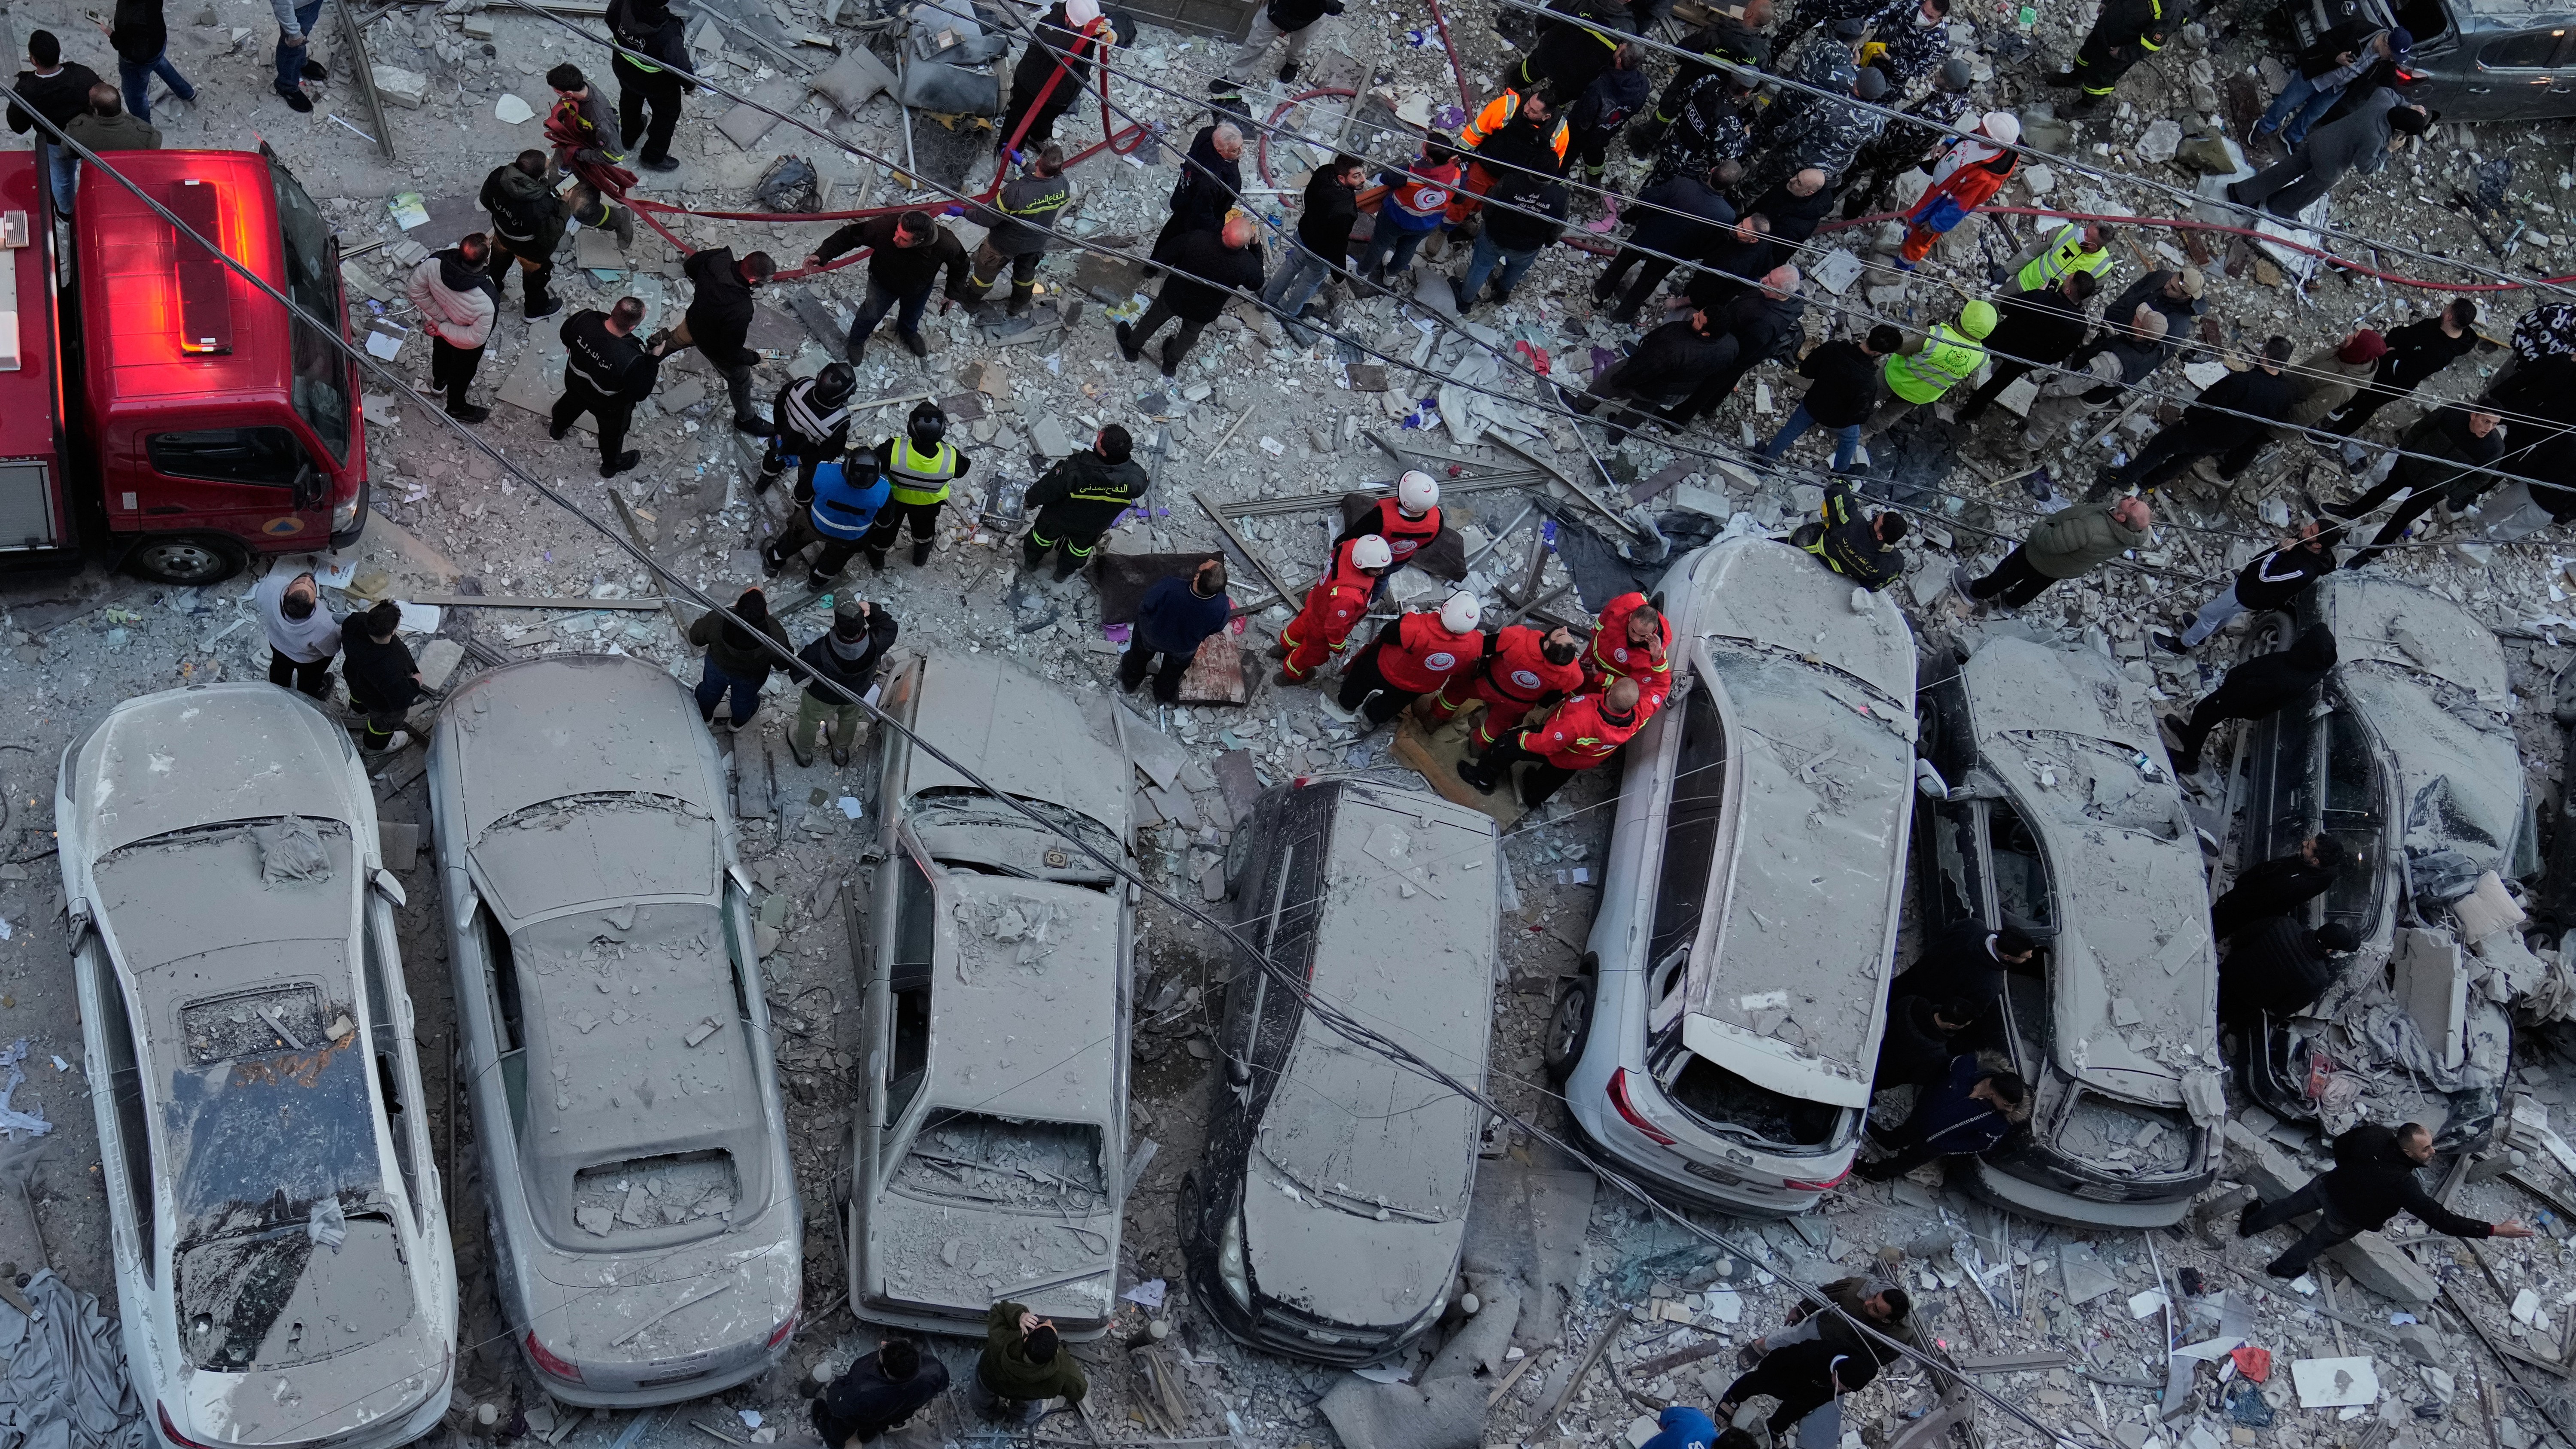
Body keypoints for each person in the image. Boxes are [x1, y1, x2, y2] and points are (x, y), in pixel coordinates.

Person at [2238, 1121, 2534, 1280]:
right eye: (2426, 1149)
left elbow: (2341, 1145)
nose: (2433, 1152)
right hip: (2347, 1217)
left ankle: (2250, 1226)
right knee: (2314, 1243)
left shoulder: (2376, 1135)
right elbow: (2441, 1220)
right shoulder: (2405, 1184)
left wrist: (2350, 1172)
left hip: (2328, 1186)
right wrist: (2495, 1229)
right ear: (2408, 1152)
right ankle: (2281, 1269)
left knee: (2288, 1206)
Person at [2097, 337, 2297, 496]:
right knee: (2185, 460)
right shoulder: (2287, 393)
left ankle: (2125, 477)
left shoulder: (2243, 381)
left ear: (2264, 355)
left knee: (2160, 447)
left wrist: (2189, 418)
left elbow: (2208, 402)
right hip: (2229, 440)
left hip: (2202, 428)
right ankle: (2148, 481)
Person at [2326, 407, 2508, 567]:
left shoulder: (2493, 448)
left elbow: (2481, 478)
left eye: (2494, 424)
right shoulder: (2453, 413)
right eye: (2486, 422)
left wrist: (2451, 492)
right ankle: (2352, 512)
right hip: (2411, 465)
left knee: (2399, 521)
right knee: (2383, 490)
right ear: (2474, 415)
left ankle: (2370, 554)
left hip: (2434, 488)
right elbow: (2422, 427)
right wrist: (2405, 452)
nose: (2489, 429)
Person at [2163, 624, 2337, 776]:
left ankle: (2189, 761)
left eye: (2307, 640)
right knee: (2206, 714)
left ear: (2311, 649)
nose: (2303, 639)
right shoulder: (2314, 664)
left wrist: (2232, 682)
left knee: (2204, 713)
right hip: (2249, 695)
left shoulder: (2287, 678)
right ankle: (2191, 736)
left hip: (2242, 698)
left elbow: (2248, 692)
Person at [2227, 91, 2431, 219]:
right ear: (2400, 131)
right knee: (2307, 191)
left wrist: (2408, 107)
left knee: (2286, 169)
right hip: (2330, 166)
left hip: (2320, 140)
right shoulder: (2377, 139)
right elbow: (2366, 167)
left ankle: (2242, 193)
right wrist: (2389, 151)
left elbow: (2390, 92)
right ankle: (2280, 208)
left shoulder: (2383, 100)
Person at [1456, 675, 1646, 808]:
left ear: (1611, 691)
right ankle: (1532, 797)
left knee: (1507, 745)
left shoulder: (1581, 720)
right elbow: (1660, 689)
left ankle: (1482, 779)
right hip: (1582, 757)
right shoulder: (1639, 717)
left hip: (1560, 745)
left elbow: (1547, 744)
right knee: (1554, 777)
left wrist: (1523, 739)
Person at [807, 210, 972, 363]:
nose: (895, 239)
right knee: (871, 315)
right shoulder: (884, 227)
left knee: (913, 313)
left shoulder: (946, 243)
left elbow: (961, 264)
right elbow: (849, 236)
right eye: (897, 233)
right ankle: (856, 340)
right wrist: (822, 254)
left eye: (903, 239)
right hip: (882, 283)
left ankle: (908, 332)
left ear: (919, 241)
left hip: (918, 287)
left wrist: (952, 294)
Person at [2155, 521, 2336, 653]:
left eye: (2311, 530)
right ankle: (2201, 634)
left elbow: (2265, 576)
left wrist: (2279, 551)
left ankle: (2182, 645)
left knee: (2208, 614)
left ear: (2318, 545)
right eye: (2311, 525)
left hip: (2249, 594)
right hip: (2248, 586)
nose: (2305, 528)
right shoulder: (2307, 544)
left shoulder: (2304, 570)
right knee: (2224, 614)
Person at [1117, 215, 1264, 378]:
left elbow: (1166, 255)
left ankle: (1132, 347)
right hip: (1205, 309)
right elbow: (1256, 283)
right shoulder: (1248, 264)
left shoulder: (1198, 239)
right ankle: (1171, 363)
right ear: (1246, 243)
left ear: (1224, 230)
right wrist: (1256, 249)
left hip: (1176, 295)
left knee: (1153, 319)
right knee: (1189, 335)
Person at [1591, 161, 1737, 324]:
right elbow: (1711, 246)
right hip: (1674, 253)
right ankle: (1622, 315)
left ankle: (1599, 294)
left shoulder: (1681, 184)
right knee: (1647, 283)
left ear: (1712, 169)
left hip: (1647, 235)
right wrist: (1690, 253)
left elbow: (1648, 200)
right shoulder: (1727, 216)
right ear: (1731, 186)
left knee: (1622, 262)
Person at [1839, 55, 1977, 219]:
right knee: (1883, 180)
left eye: (1941, 74)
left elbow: (1899, 139)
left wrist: (1875, 144)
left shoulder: (1933, 111)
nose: (1936, 73)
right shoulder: (1961, 99)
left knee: (1862, 165)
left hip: (1897, 152)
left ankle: (1839, 195)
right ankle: (1861, 207)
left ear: (1948, 85)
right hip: (1914, 153)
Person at [1958, 496, 2152, 611]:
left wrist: (2039, 528)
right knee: (2034, 586)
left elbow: (2049, 543)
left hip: (2041, 556)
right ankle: (2009, 606)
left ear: (2121, 517)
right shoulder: (2132, 535)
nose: (2131, 498)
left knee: (2008, 573)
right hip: (2066, 567)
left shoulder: (2090, 528)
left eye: (2132, 504)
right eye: (2136, 500)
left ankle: (1974, 593)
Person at [1668, 264, 1805, 426]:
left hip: (1736, 353)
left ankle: (1678, 419)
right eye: (1769, 274)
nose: (1764, 279)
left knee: (1711, 383)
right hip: (1741, 343)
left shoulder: (1767, 321)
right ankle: (1709, 407)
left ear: (1780, 292)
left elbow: (1745, 350)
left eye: (1771, 281)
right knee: (1727, 380)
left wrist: (1723, 357)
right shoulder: (1775, 296)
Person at [1418, 622, 1586, 753]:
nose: (1565, 628)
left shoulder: (1517, 638)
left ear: (1547, 645)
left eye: (1561, 634)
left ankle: (1433, 720)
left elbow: (1483, 647)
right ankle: (1476, 749)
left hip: (1485, 684)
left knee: (1455, 691)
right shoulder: (1573, 675)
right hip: (1516, 704)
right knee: (1497, 726)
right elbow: (1548, 700)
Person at [1574, 307, 1732, 446]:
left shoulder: (1675, 347)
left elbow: (1643, 369)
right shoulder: (1729, 347)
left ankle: (1579, 407)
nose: (1694, 315)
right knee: (1641, 411)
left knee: (1607, 381)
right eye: (1699, 313)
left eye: (1698, 319)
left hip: (1652, 382)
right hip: (1676, 391)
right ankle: (1615, 437)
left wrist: (1619, 380)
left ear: (1706, 333)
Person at [1954, 272, 2098, 424]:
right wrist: (2035, 361)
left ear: (2068, 290)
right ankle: (1967, 413)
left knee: (1972, 357)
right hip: (2025, 357)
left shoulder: (2041, 297)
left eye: (2069, 279)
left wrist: (2038, 294)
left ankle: (1950, 373)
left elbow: (2005, 307)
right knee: (1996, 385)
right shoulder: (2079, 325)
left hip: (2002, 339)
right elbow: (2060, 354)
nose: (2066, 277)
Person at [551, 295, 670, 478]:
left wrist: (574, 346)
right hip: (608, 407)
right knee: (611, 436)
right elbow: (641, 392)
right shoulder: (632, 359)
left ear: (614, 310)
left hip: (576, 385)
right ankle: (611, 466)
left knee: (568, 406)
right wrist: (653, 359)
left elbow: (564, 333)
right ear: (632, 328)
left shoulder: (586, 319)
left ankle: (557, 429)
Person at [1855, 1054, 2029, 1179]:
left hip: (1936, 1143)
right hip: (1921, 1117)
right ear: (1993, 1093)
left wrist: (1944, 1146)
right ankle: (1887, 1141)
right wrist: (1924, 1102)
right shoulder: (1966, 1066)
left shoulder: (1999, 1122)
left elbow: (1981, 1143)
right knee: (1902, 1134)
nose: (2010, 1109)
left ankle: (1876, 1174)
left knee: (1906, 1162)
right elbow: (1938, 1074)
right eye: (2007, 1104)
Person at [2325, 299, 2479, 438]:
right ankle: (2339, 409)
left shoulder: (2441, 354)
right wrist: (2391, 343)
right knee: (2361, 388)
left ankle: (2335, 436)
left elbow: (2408, 374)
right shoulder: (2438, 325)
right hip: (2386, 365)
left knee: (2366, 407)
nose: (2445, 308)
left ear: (2450, 317)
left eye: (2448, 307)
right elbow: (2408, 334)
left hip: (2394, 383)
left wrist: (2390, 354)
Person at [2253, 18, 2409, 155]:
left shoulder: (2386, 61)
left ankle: (2291, 136)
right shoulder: (2361, 29)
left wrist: (2407, 106)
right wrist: (2336, 56)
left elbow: (2390, 85)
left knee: (2314, 114)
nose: (2391, 59)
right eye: (2392, 55)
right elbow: (2324, 38)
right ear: (2386, 43)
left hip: (2337, 88)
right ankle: (2264, 127)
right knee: (2287, 102)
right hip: (2316, 73)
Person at [1761, 326, 1898, 471]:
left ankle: (1765, 461)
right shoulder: (1869, 381)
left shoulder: (1833, 347)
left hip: (1813, 404)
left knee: (1790, 430)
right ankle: (1840, 473)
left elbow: (1806, 370)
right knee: (1851, 438)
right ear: (1878, 353)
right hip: (1838, 420)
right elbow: (1860, 416)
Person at [1339, 592, 1485, 728]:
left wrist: (1406, 616)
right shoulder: (1475, 645)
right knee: (1392, 704)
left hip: (1387, 668)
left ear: (1445, 608)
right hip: (1419, 686)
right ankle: (1370, 720)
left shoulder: (1417, 627)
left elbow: (1387, 634)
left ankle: (1347, 704)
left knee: (1361, 680)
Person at [1022, 425, 1148, 580]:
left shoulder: (1073, 471)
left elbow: (1046, 489)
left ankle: (1031, 562)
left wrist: (1029, 501)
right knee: (1078, 551)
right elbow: (1139, 490)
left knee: (1040, 539)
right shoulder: (1137, 479)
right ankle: (1062, 575)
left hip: (1059, 518)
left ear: (1103, 452)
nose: (1097, 437)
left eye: (1099, 439)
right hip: (1094, 526)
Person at [963, 144, 1073, 321]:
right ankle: (1016, 307)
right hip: (1035, 244)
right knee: (1025, 278)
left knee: (984, 275)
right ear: (1061, 169)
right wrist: (1023, 164)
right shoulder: (1063, 186)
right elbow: (1044, 184)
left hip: (1003, 245)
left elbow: (987, 219)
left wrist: (962, 212)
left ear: (1038, 161)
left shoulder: (1015, 191)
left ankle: (970, 303)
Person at [1895, 113, 2019, 269]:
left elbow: (1962, 206)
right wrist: (1947, 146)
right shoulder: (1981, 137)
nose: (1980, 122)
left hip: (1941, 207)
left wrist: (1936, 225)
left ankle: (1901, 267)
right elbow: (1963, 144)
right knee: (1915, 220)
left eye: (1985, 126)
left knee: (1920, 240)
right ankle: (1903, 245)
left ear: (1993, 139)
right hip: (1937, 193)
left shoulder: (1986, 178)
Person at [788, 597, 898, 768]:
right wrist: (872, 609)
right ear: (864, 623)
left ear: (836, 624)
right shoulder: (878, 642)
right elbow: (891, 626)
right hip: (855, 694)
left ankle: (804, 752)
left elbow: (796, 672)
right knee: (849, 719)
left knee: (810, 721)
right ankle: (840, 752)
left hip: (822, 696)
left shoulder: (819, 649)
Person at [997, 0, 1118, 154]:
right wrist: (1084, 33)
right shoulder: (1049, 23)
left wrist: (1115, 33)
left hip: (1063, 93)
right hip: (1032, 89)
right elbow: (1053, 41)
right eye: (1079, 27)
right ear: (1067, 17)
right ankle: (1007, 153)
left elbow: (1123, 19)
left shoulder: (1087, 21)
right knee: (1018, 122)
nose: (1082, 30)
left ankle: (1038, 137)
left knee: (1046, 120)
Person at [1863, 299, 1996, 437]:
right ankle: (1862, 434)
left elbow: (1899, 348)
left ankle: (1846, 418)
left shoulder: (1936, 335)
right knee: (1884, 418)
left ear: (1961, 317)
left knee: (1864, 396)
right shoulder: (1983, 358)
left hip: (1893, 377)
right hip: (1918, 396)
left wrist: (1922, 328)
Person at [404, 234, 499, 423]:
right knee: (463, 371)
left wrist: (440, 321)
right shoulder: (488, 297)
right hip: (462, 338)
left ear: (459, 250)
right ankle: (456, 407)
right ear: (486, 260)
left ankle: (440, 382)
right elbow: (476, 338)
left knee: (441, 351)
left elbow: (415, 289)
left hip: (442, 325)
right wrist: (444, 324)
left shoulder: (436, 262)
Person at [1264, 153, 1364, 332]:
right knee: (1310, 281)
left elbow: (1308, 198)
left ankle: (1268, 299)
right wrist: (1339, 274)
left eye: (1362, 174)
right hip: (1320, 251)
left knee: (1292, 264)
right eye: (1356, 176)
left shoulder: (1324, 171)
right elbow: (1338, 245)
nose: (1363, 179)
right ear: (1342, 178)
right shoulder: (1344, 210)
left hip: (1304, 232)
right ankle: (1291, 312)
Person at [863, 401, 968, 570]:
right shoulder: (952, 458)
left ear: (910, 428)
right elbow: (963, 470)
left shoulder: (893, 449)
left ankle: (877, 560)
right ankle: (920, 558)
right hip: (928, 504)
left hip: (895, 501)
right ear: (942, 432)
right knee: (924, 532)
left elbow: (873, 463)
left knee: (885, 530)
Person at [543, 64, 639, 249]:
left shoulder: (601, 120)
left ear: (570, 93)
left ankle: (619, 219)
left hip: (586, 163)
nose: (558, 95)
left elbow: (615, 155)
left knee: (583, 210)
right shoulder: (581, 86)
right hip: (568, 152)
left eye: (559, 92)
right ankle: (561, 214)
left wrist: (581, 154)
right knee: (556, 185)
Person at [682, 245, 776, 433]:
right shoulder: (741, 308)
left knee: (672, 342)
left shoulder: (719, 257)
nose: (766, 284)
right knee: (742, 380)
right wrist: (755, 358)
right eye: (765, 282)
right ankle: (746, 419)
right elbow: (731, 352)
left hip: (693, 320)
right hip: (710, 344)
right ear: (752, 280)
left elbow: (690, 266)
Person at [1276, 533, 1391, 684]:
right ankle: (1291, 675)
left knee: (1298, 629)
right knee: (1311, 654)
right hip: (1322, 628)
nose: (1381, 572)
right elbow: (1334, 627)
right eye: (1377, 569)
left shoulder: (1350, 546)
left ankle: (1282, 648)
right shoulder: (1348, 596)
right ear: (1361, 563)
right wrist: (1338, 646)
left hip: (1317, 604)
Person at [1453, 160, 1567, 311]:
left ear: (1531, 167)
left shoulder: (1510, 181)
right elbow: (1559, 226)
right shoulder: (1561, 196)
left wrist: (1487, 223)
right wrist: (1550, 241)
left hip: (1495, 237)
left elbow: (1489, 206)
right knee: (1516, 270)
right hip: (1528, 247)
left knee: (1481, 267)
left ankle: (1465, 301)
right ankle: (1503, 293)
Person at [9, 33, 103, 211]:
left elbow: (18, 127)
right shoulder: (83, 75)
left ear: (33, 60)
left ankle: (67, 212)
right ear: (59, 52)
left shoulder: (26, 90)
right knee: (94, 173)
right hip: (86, 136)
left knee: (62, 181)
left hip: (56, 143)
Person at [1713, 1339, 1876, 1441]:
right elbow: (1779, 1358)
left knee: (1797, 1410)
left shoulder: (1845, 1381)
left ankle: (1776, 1427)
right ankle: (1733, 1396)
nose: (1838, 1389)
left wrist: (1826, 1394)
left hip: (1813, 1392)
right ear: (1838, 1369)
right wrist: (1765, 1372)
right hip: (1788, 1376)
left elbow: (1836, 1388)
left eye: (1844, 1390)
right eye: (1840, 1383)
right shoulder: (1813, 1353)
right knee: (1758, 1383)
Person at [765, 456, 891, 587]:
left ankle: (773, 563)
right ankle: (816, 583)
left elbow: (800, 498)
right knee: (835, 559)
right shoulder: (884, 489)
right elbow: (884, 523)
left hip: (816, 524)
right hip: (852, 536)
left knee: (794, 536)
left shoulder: (823, 471)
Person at [1892, 920, 2037, 1033]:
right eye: (2026, 957)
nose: (2030, 957)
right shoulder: (1990, 985)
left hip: (1916, 974)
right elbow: (1964, 1014)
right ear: (2007, 957)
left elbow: (1943, 933)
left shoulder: (1973, 925)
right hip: (1923, 1005)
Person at [1744, 1275, 1920, 1364]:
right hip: (1825, 1328)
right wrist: (1801, 1311)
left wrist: (1858, 1366)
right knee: (1793, 1335)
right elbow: (1824, 1293)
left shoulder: (1901, 1336)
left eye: (1875, 1308)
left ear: (1887, 1321)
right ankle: (1762, 1345)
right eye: (1875, 1297)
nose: (1867, 1302)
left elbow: (1885, 1356)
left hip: (1847, 1353)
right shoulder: (1855, 1289)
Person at [1122, 556, 1230, 702]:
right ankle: (1161, 695)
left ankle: (1130, 682)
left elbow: (1146, 605)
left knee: (1137, 659)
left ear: (1197, 576)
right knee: (1172, 674)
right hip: (1184, 647)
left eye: (1206, 564)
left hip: (1151, 635)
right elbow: (1218, 627)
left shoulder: (1170, 586)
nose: (1208, 559)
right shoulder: (1222, 606)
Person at [2219, 918, 2359, 1030]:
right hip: (2246, 1000)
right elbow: (2282, 1009)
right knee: (2218, 1013)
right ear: (2330, 951)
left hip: (2230, 970)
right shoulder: (2319, 978)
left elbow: (2241, 938)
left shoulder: (2285, 924)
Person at [1358, 138, 1462, 286]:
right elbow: (1459, 200)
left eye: (1425, 145)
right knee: (1407, 249)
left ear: (1429, 159)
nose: (1423, 144)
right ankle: (1390, 276)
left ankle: (1361, 274)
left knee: (1379, 245)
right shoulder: (1457, 176)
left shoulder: (1410, 172)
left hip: (1394, 219)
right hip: (1426, 225)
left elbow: (1385, 177)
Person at [2211, 833, 2350, 942]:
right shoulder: (2326, 872)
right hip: (2252, 909)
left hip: (2238, 909)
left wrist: (2227, 903)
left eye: (2308, 847)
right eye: (2309, 841)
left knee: (2212, 927)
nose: (2304, 843)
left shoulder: (2290, 881)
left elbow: (2253, 898)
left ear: (2315, 861)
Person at [810, 1337, 947, 1447]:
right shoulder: (934, 1369)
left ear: (887, 1371)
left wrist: (837, 1384)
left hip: (864, 1415)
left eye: (883, 1350)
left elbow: (838, 1406)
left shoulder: (865, 1390)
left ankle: (834, 1440)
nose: (883, 1343)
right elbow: (943, 1385)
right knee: (875, 1425)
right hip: (898, 1414)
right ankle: (866, 1436)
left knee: (845, 1423)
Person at [687, 587, 793, 729]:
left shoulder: (717, 619)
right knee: (744, 701)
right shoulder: (775, 635)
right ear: (765, 612)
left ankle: (705, 718)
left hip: (717, 668)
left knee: (709, 692)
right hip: (751, 677)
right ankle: (736, 724)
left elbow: (695, 638)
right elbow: (784, 664)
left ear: (737, 606)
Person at [605, 0, 692, 171]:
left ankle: (629, 136)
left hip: (624, 69)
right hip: (658, 86)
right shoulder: (669, 31)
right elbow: (681, 67)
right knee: (666, 117)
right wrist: (690, 86)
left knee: (630, 99)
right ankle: (652, 157)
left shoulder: (623, 4)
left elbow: (610, 19)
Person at [2045, 0, 2177, 112]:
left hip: (2117, 49)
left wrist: (2123, 53)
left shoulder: (2170, 11)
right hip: (2104, 28)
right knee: (2085, 57)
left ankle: (2085, 107)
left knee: (2099, 79)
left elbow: (2150, 45)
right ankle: (2075, 79)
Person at [757, 362, 859, 504]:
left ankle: (762, 485)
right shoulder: (838, 423)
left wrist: (779, 434)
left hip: (783, 442)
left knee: (772, 462)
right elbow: (829, 453)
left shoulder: (800, 386)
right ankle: (799, 502)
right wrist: (799, 460)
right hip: (807, 456)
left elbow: (780, 402)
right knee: (807, 480)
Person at [481, 150, 565, 319]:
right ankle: (536, 310)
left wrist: (505, 218)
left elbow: (485, 199)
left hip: (502, 235)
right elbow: (551, 235)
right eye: (547, 166)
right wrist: (564, 205)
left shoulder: (499, 176)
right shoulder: (541, 204)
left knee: (497, 263)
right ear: (539, 175)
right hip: (529, 250)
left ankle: (490, 289)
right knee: (535, 278)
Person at [1792, 471, 1908, 592]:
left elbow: (1835, 491)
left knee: (1799, 537)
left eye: (1877, 520)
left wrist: (1844, 482)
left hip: (1818, 550)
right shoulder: (1895, 565)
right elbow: (1873, 587)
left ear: (1880, 536)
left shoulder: (1851, 522)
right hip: (1842, 573)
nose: (1875, 517)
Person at [974, 1302, 1087, 1425]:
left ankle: (985, 1412)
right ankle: (1018, 1423)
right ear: (1056, 1353)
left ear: (1026, 1339)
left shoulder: (1002, 1340)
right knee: (1029, 1409)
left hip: (992, 1380)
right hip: (1027, 1395)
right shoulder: (1062, 1370)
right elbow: (1079, 1391)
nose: (1049, 1321)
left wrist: (1020, 1315)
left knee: (981, 1382)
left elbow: (998, 1310)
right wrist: (1063, 1357)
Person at [1152, 121, 1246, 265]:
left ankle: (1153, 264)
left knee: (1169, 233)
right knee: (1184, 244)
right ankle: (1162, 265)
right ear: (1220, 150)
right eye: (1235, 150)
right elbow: (1202, 215)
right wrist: (1219, 229)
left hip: (1185, 195)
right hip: (1196, 215)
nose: (1242, 152)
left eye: (1241, 146)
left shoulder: (1208, 134)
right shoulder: (1210, 183)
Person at [1564, 43, 1649, 194]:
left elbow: (1580, 121)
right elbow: (1636, 109)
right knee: (1595, 154)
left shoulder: (1599, 88)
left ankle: (1551, 180)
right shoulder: (1643, 84)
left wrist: (1567, 131)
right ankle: (1594, 183)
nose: (1620, 45)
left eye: (1621, 48)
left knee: (1566, 156)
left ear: (1618, 60)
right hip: (1607, 131)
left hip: (1583, 133)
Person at [340, 600, 422, 755]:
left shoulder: (355, 622)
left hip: (354, 676)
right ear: (392, 632)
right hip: (378, 701)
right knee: (383, 723)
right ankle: (374, 747)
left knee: (358, 696)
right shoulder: (389, 666)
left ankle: (356, 712)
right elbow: (400, 700)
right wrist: (416, 682)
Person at [2276, 329, 2388, 440]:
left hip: (2276, 419)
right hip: (2279, 390)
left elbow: (2306, 414)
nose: (2348, 336)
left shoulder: (2342, 388)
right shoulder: (2345, 353)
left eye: (2354, 339)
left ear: (2359, 350)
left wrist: (2272, 408)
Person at [1217, 0, 1341, 94]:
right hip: (1277, 9)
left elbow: (1336, 7)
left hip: (1310, 19)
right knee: (1255, 44)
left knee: (1300, 45)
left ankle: (1293, 63)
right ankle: (1235, 78)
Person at [1333, 471, 1443, 577]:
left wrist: (1337, 544)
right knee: (1382, 580)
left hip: (1373, 561)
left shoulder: (1380, 517)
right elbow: (1425, 544)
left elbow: (1356, 534)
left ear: (1407, 503)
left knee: (1364, 577)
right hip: (1400, 561)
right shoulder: (1437, 520)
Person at [257, 568, 341, 700]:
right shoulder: (325, 625)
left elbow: (259, 600)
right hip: (308, 662)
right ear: (314, 605)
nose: (308, 579)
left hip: (278, 646)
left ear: (286, 593)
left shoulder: (271, 587)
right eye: (312, 588)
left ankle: (279, 693)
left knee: (279, 670)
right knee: (309, 682)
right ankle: (305, 699)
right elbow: (332, 649)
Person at [103, 0, 191, 126]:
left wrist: (112, 35)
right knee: (159, 63)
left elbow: (138, 54)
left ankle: (144, 129)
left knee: (135, 96)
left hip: (138, 60)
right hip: (158, 42)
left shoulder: (133, 18)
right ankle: (187, 93)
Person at [1589, 592, 1671, 705]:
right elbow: (1608, 611)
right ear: (1630, 617)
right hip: (1590, 657)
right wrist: (1595, 632)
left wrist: (1604, 679)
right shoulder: (1626, 603)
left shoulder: (1655, 654)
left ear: (1654, 630)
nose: (1636, 639)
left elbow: (1635, 684)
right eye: (1633, 631)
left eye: (1643, 636)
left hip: (1607, 682)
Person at [1875, 997, 1975, 1089]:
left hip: (1873, 1041)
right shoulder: (1936, 1053)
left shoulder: (1913, 1002)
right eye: (1965, 1025)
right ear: (1952, 1026)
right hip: (1883, 1074)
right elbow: (1918, 1078)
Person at [2003, 221, 2117, 294]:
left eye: (2086, 234)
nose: (2082, 232)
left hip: (2044, 304)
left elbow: (2086, 295)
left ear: (2093, 246)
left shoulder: (2103, 267)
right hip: (2023, 282)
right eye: (2086, 229)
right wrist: (2008, 270)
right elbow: (2033, 250)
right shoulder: (2067, 231)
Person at [266, 0, 327, 112]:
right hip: (297, 8)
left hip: (310, 4)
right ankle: (286, 84)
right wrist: (293, 31)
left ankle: (300, 63)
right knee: (292, 46)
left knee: (302, 38)